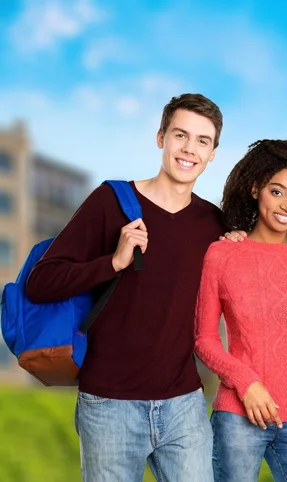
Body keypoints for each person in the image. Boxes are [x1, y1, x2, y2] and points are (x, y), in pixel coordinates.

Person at [26, 93, 226, 482]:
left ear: (213, 152)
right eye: (180, 135)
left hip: (183, 403)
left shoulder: (213, 223)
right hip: (109, 405)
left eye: (202, 141)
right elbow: (41, 282)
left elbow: (267, 244)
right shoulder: (110, 201)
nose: (189, 149)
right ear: (160, 138)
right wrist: (112, 262)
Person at [194, 139, 287, 482]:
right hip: (237, 418)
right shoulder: (222, 255)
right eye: (278, 191)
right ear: (255, 188)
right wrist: (246, 382)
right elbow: (204, 339)